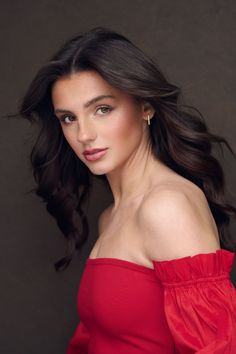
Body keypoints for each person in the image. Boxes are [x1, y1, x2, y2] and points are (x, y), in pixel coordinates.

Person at [18, 27, 236, 353]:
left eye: (102, 109)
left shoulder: (166, 207)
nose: (84, 135)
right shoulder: (113, 215)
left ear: (145, 107)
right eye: (68, 118)